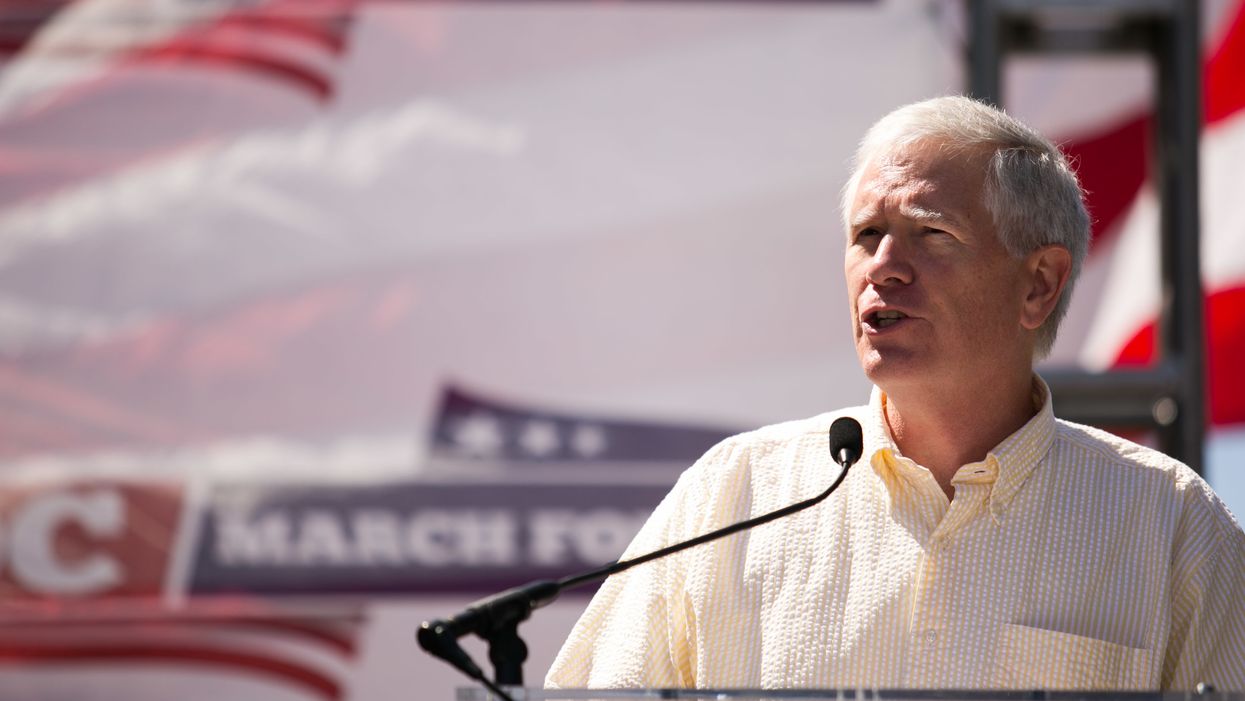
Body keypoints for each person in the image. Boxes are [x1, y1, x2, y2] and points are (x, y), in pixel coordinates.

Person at [544, 95, 1245, 691]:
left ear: (1037, 285)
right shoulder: (734, 493)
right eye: (866, 234)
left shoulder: (1171, 525)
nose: (881, 267)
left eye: (930, 234)